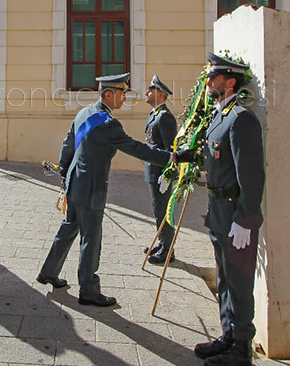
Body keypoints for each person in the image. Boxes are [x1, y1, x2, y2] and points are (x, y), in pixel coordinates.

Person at [37, 73, 182, 307]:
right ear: (108, 94)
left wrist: (65, 174)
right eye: (122, 93)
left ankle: (49, 272)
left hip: (75, 183)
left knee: (69, 228)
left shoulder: (85, 113)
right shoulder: (108, 123)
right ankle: (89, 290)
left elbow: (67, 145)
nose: (124, 98)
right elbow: (137, 149)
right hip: (92, 188)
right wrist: (172, 157)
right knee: (91, 237)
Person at [193, 52, 265, 366]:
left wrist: (245, 219)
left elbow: (251, 175)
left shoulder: (241, 119)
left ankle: (241, 351)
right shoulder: (220, 116)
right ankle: (228, 335)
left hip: (235, 216)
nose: (209, 82)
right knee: (224, 279)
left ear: (230, 81)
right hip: (218, 213)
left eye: (214, 77)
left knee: (239, 282)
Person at [142, 75, 178, 265]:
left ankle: (168, 250)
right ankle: (163, 241)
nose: (146, 93)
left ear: (161, 95)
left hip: (160, 174)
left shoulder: (165, 118)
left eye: (151, 90)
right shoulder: (156, 114)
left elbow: (170, 149)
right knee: (158, 211)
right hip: (153, 171)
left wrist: (168, 174)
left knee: (164, 211)